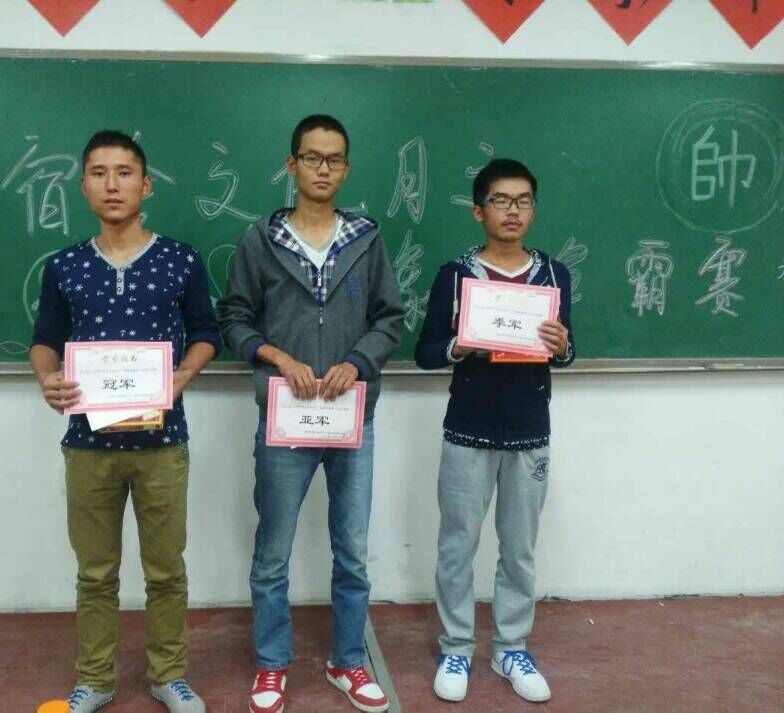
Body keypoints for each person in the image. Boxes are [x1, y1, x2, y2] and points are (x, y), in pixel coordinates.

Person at [217, 114, 404, 713]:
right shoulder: (261, 241)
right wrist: (276, 356)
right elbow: (233, 318)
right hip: (285, 418)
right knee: (272, 552)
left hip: (352, 417)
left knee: (352, 550)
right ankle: (272, 665)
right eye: (312, 157)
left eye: (335, 159)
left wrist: (357, 362)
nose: (324, 168)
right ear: (291, 164)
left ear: (346, 169)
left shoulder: (366, 240)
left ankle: (347, 660)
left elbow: (390, 318)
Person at [30, 130, 220, 713]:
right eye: (99, 173)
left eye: (124, 172)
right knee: (95, 572)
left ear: (146, 184)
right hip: (88, 445)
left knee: (166, 570)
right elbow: (44, 340)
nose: (112, 184)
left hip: (163, 441)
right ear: (83, 186)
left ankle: (169, 675)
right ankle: (95, 680)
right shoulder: (64, 266)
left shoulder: (181, 260)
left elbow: (207, 333)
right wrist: (47, 377)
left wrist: (182, 376)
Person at [414, 158, 574, 704]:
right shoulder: (456, 275)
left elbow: (567, 352)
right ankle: (457, 646)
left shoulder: (553, 275)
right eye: (501, 200)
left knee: (520, 548)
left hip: (529, 429)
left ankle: (510, 646)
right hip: (468, 428)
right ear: (479, 211)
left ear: (533, 209)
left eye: (523, 200)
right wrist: (460, 344)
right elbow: (426, 353)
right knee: (457, 544)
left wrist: (561, 346)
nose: (513, 210)